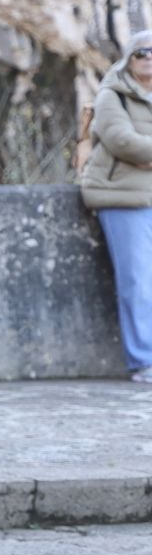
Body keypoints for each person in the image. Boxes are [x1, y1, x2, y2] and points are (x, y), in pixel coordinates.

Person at [80, 29, 152, 382]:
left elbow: (142, 148)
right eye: (141, 53)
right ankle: (143, 361)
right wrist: (141, 151)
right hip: (122, 197)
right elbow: (123, 142)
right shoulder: (113, 95)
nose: (149, 58)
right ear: (128, 58)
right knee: (137, 281)